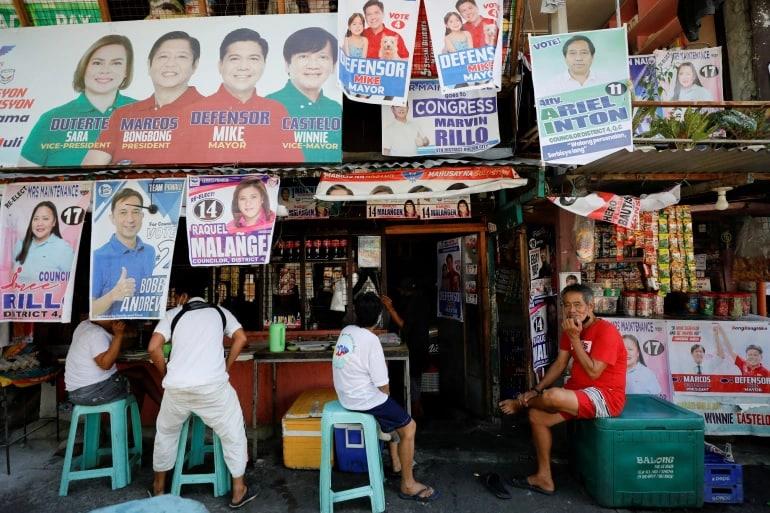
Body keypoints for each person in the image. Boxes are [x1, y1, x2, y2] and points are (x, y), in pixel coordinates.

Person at [499, 284, 627, 495]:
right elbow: (560, 364)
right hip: (578, 392)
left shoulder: (606, 331)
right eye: (567, 305)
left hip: (605, 397)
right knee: (537, 416)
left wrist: (575, 338)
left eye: (578, 304)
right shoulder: (571, 329)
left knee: (553, 395)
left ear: (591, 306)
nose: (572, 310)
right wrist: (536, 389)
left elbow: (594, 372)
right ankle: (544, 478)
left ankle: (520, 403)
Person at [147, 275, 255, 507]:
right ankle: (239, 489)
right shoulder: (220, 312)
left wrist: (166, 373)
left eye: (177, 296)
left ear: (183, 296)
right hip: (212, 389)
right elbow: (241, 338)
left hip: (177, 390)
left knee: (166, 433)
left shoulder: (173, 315)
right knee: (233, 431)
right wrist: (226, 366)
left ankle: (158, 487)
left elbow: (153, 347)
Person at [333, 292, 438, 502]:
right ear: (379, 317)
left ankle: (397, 462)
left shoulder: (346, 331)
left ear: (356, 314)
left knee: (393, 415)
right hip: (363, 400)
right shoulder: (371, 341)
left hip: (345, 396)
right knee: (409, 426)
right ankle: (408, 484)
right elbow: (383, 386)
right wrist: (387, 404)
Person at [82, 31, 203, 166]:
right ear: (149, 65)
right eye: (163, 56)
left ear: (195, 65)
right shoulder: (123, 114)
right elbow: (91, 167)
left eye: (181, 57)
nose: (170, 64)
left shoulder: (208, 112)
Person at [183, 28, 302, 164]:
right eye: (234, 58)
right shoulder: (192, 113)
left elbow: (293, 163)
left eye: (253, 58)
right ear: (220, 65)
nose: (243, 66)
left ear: (264, 65)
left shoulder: (276, 111)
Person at [20, 35, 135, 167]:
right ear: (84, 67)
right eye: (97, 63)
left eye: (116, 63)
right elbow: (24, 175)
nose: (105, 70)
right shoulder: (51, 119)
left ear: (126, 71)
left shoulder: (146, 112)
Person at [267, 27, 341, 163]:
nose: (313, 65)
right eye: (303, 56)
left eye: (322, 57)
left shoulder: (335, 109)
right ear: (287, 64)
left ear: (333, 65)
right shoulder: (268, 107)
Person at [65, 318, 163, 411]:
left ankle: (163, 406)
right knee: (138, 385)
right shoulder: (97, 333)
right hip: (94, 391)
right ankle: (159, 409)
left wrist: (122, 335)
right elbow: (105, 364)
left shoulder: (84, 325)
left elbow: (113, 346)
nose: (116, 320)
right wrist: (118, 335)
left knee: (140, 372)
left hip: (75, 393)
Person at [91, 188, 156, 317]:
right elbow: (91, 310)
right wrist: (113, 295)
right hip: (114, 328)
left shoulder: (150, 251)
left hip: (146, 326)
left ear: (142, 216)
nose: (130, 219)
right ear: (112, 218)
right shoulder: (98, 256)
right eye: (123, 212)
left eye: (135, 212)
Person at [12, 201, 75, 283]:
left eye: (45, 218)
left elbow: (71, 282)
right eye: (36, 219)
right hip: (19, 291)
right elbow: (11, 276)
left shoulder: (63, 248)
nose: (39, 223)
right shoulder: (20, 244)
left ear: (54, 222)